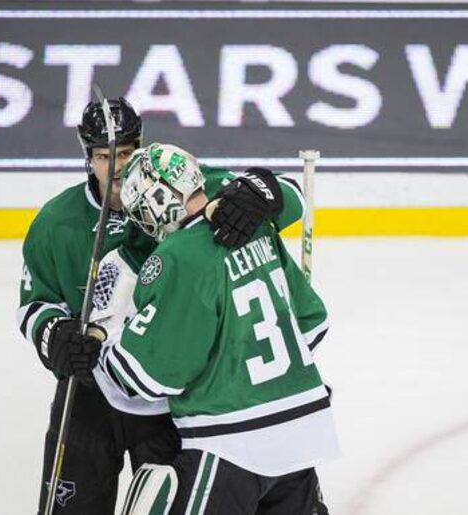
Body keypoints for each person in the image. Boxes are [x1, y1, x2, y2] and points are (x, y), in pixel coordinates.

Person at [17, 98, 307, 514]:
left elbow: (291, 196)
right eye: (103, 156)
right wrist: (55, 334)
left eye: (126, 152)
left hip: (167, 399)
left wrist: (262, 195)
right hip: (89, 392)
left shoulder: (187, 188)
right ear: (87, 157)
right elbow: (34, 303)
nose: (116, 166)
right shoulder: (56, 222)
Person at [95, 143, 339, 514]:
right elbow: (312, 325)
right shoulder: (256, 226)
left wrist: (108, 338)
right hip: (301, 433)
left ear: (156, 202)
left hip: (230, 440)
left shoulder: (177, 257)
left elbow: (148, 376)